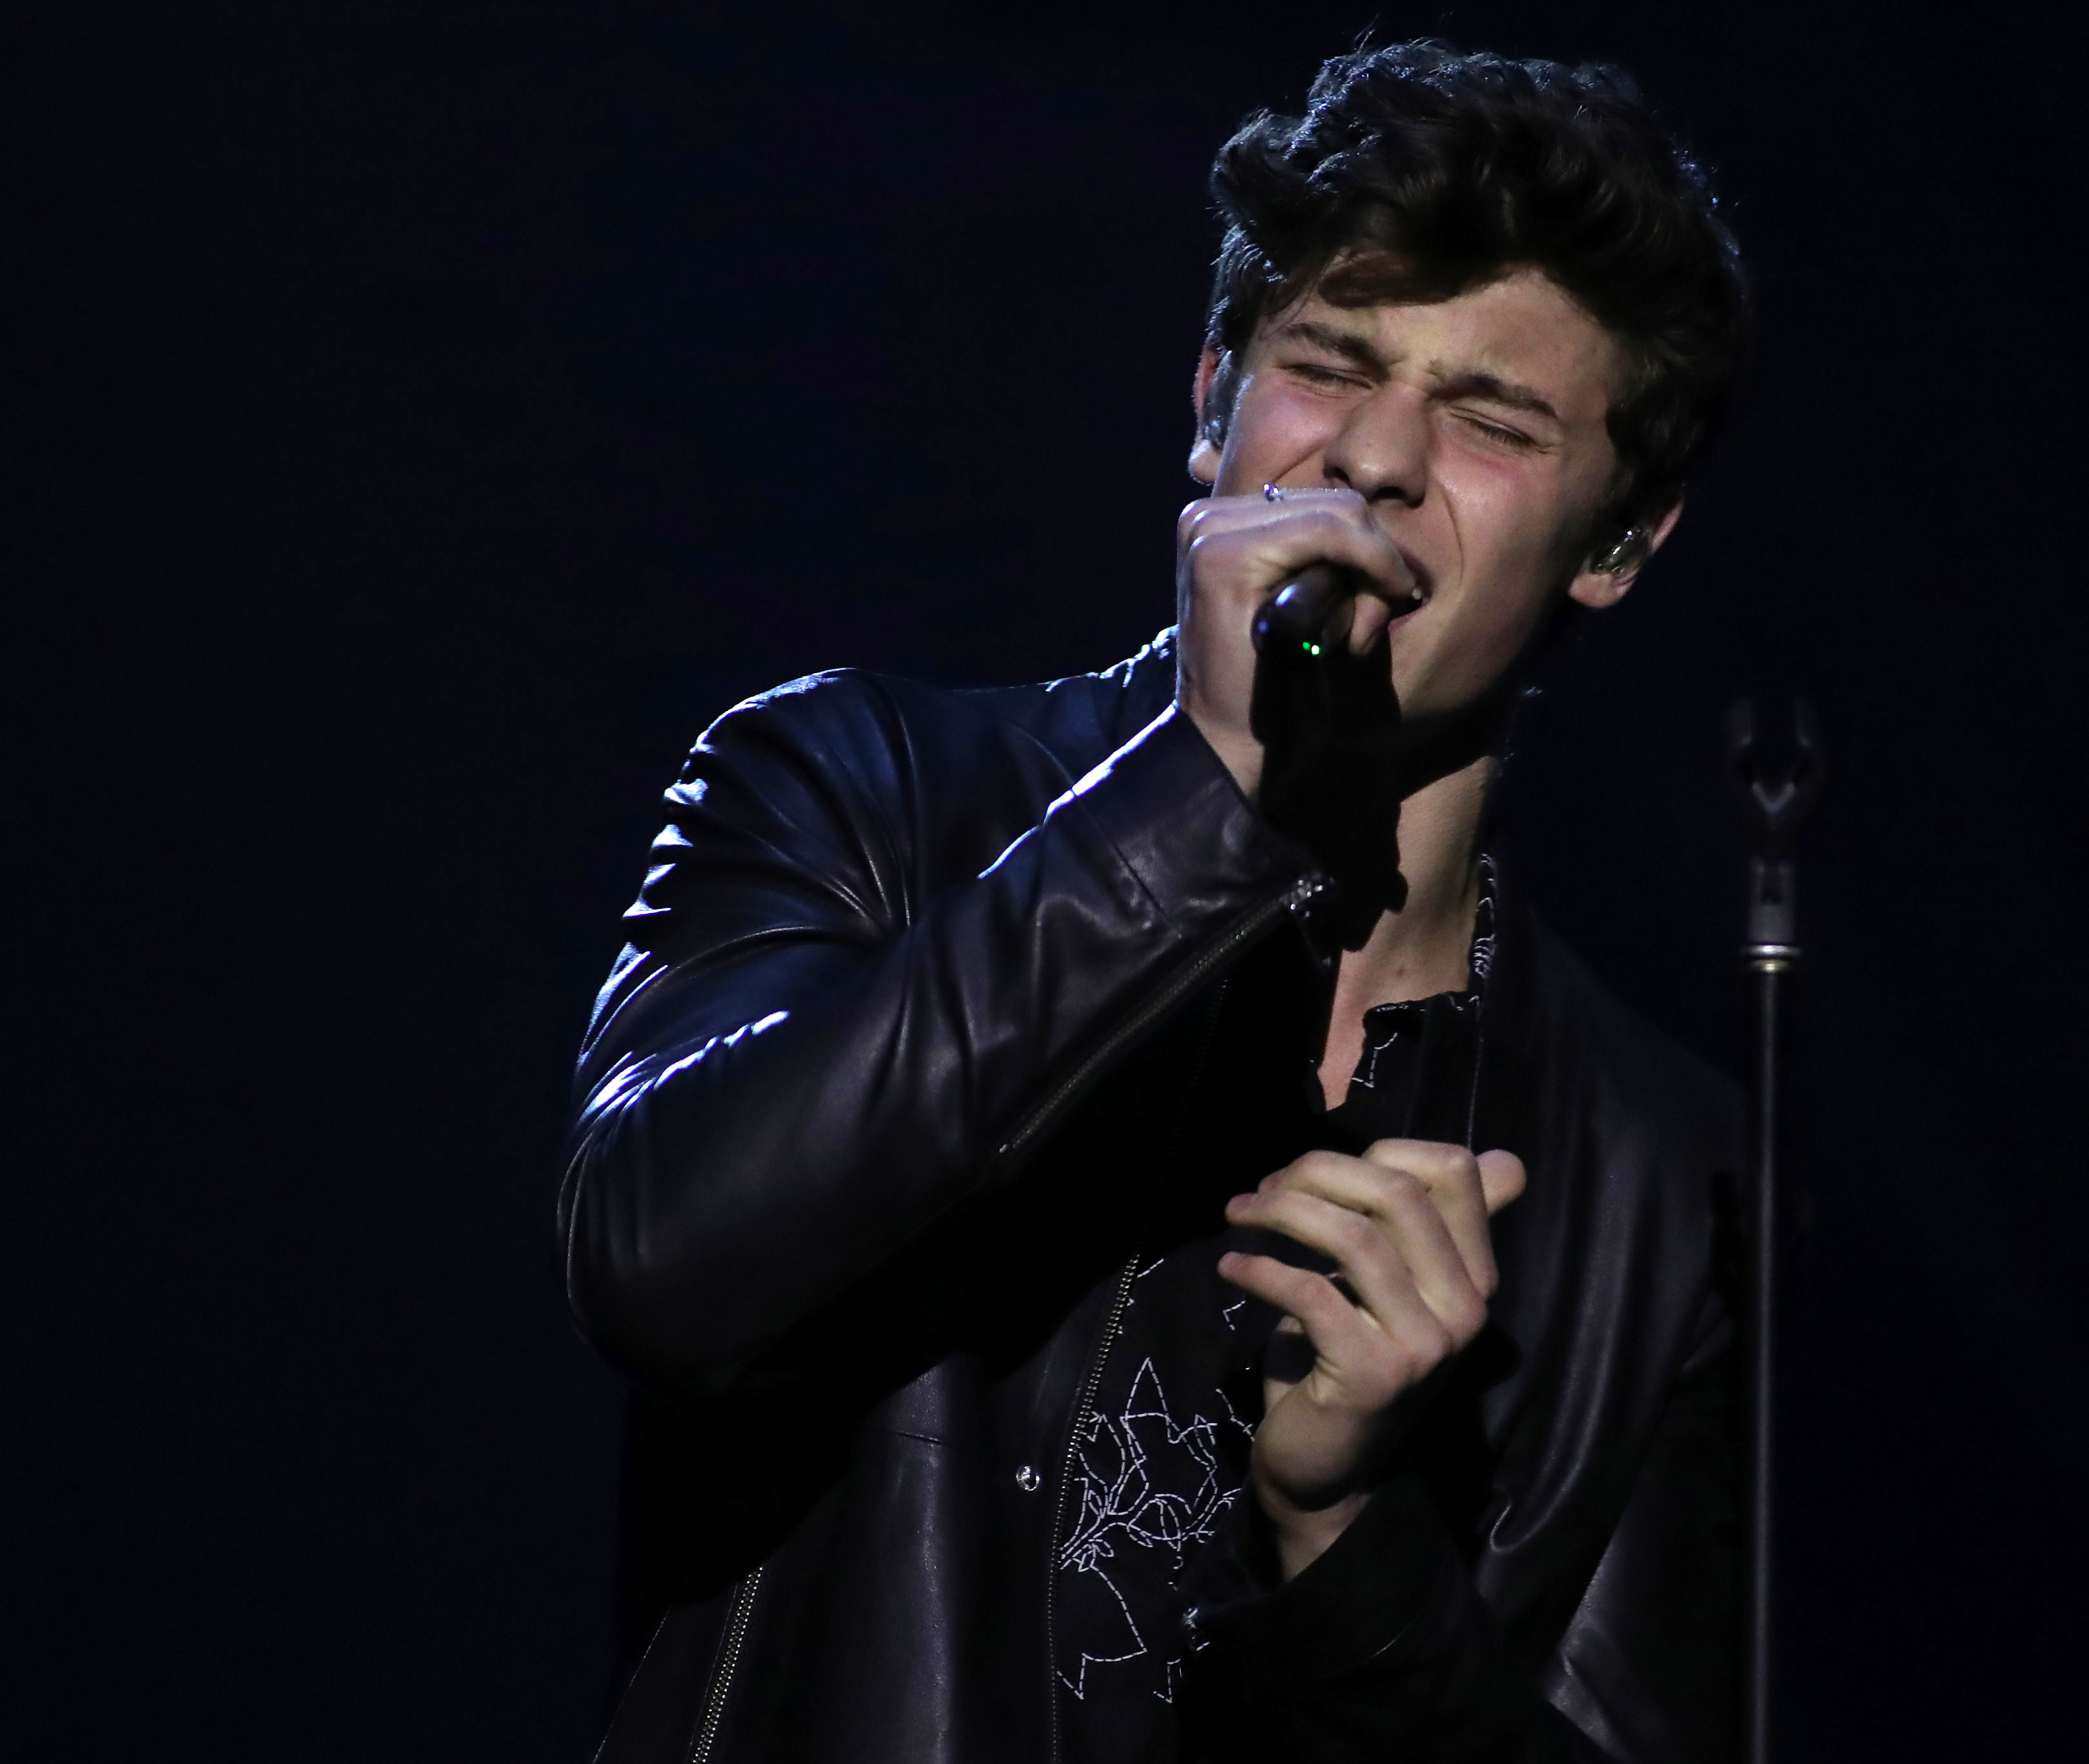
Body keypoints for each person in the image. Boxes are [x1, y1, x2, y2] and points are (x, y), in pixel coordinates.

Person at [562, 39, 1752, 1764]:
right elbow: (658, 1259)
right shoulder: (858, 791)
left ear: (1619, 541)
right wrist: (1208, 791)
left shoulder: (1657, 1176)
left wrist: (1345, 1539)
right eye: (1330, 366)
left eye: (1494, 421)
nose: (1381, 457)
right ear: (1212, 407)